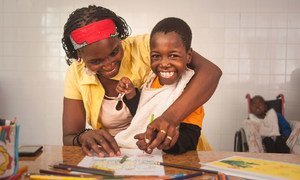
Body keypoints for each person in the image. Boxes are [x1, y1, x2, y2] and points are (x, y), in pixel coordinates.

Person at [61, 5, 222, 157]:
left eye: (115, 52)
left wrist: (169, 118)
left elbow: (211, 72)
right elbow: (69, 136)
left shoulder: (147, 46)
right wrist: (84, 136)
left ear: (120, 39)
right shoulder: (76, 73)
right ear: (79, 58)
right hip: (121, 157)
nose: (109, 64)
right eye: (96, 61)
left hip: (178, 151)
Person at [115, 17, 204, 154]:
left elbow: (190, 139)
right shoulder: (151, 80)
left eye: (173, 56)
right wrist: (131, 94)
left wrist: (162, 139)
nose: (164, 63)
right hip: (139, 156)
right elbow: (142, 115)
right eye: (156, 56)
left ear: (188, 56)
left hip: (171, 161)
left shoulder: (189, 89)